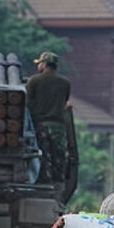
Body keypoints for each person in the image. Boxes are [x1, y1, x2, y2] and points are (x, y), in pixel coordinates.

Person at [25, 51, 71, 184]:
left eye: (39, 64)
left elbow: (27, 102)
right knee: (59, 157)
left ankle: (43, 183)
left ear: (44, 64)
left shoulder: (34, 81)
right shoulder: (65, 83)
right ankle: (58, 184)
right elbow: (64, 102)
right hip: (59, 127)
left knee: (43, 157)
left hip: (41, 125)